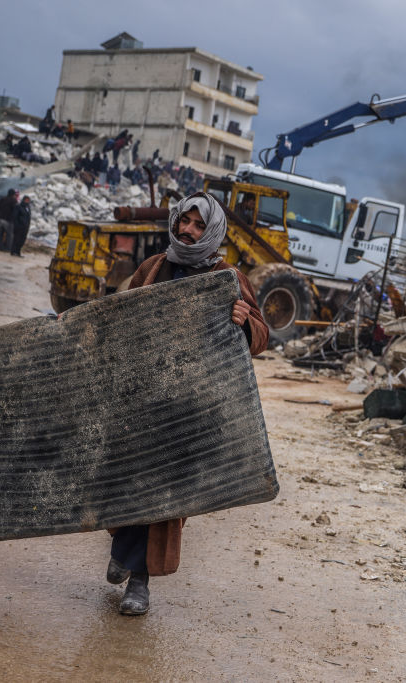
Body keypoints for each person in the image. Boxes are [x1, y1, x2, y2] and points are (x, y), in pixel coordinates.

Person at [104, 192, 268, 616]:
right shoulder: (154, 267)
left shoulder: (227, 276)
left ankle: (138, 582)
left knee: (164, 499)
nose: (188, 230)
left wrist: (243, 320)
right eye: (184, 221)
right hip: (143, 401)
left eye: (198, 225)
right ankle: (122, 551)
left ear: (211, 230)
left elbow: (262, 337)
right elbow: (116, 320)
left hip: (190, 409)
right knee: (127, 483)